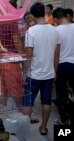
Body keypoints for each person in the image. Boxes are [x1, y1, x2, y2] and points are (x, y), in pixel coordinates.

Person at [23, 2, 59, 135]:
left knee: (28, 102)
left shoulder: (31, 31)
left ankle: (25, 130)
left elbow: (29, 55)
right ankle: (44, 127)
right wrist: (54, 71)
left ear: (32, 15)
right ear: (44, 13)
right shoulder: (55, 30)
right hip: (49, 74)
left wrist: (24, 73)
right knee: (46, 101)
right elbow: (57, 54)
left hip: (34, 74)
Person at [53, 7, 74, 125]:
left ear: (55, 18)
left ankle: (64, 120)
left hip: (62, 65)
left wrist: (54, 70)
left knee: (61, 93)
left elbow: (57, 52)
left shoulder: (56, 30)